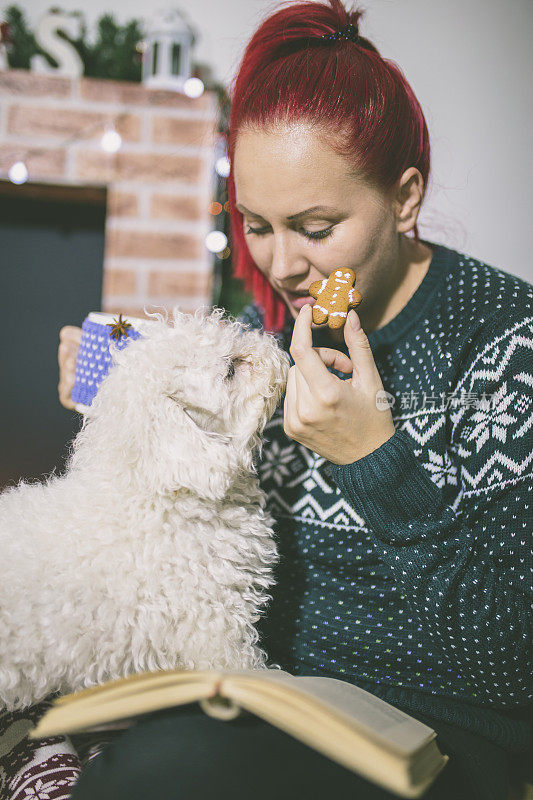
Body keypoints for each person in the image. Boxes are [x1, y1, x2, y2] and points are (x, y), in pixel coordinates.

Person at [55, 1, 532, 798]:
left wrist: (375, 463)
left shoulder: (501, 341)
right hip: (261, 693)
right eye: (256, 225)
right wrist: (118, 397)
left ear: (404, 198)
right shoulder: (265, 329)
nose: (281, 264)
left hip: (432, 736)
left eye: (315, 226)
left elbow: (511, 663)